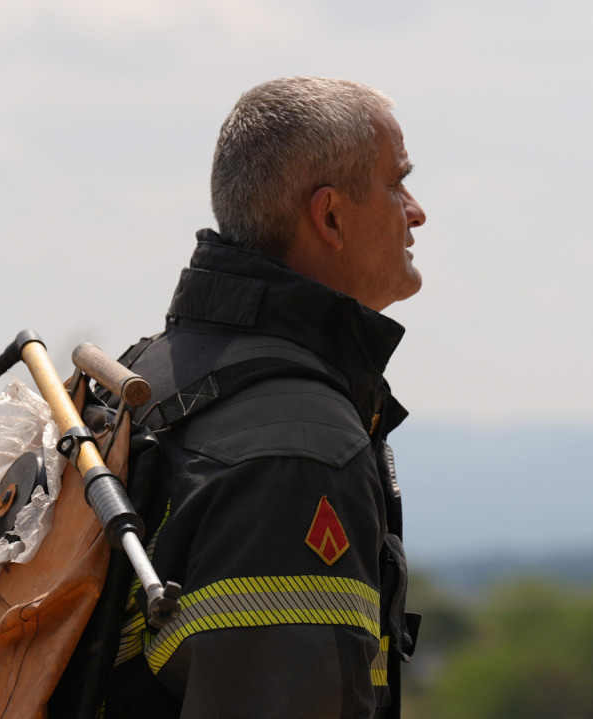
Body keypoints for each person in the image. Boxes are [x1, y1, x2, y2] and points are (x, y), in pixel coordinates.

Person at [102, 76, 427, 719]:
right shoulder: (297, 451)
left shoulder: (152, 373)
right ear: (330, 215)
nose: (415, 210)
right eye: (397, 182)